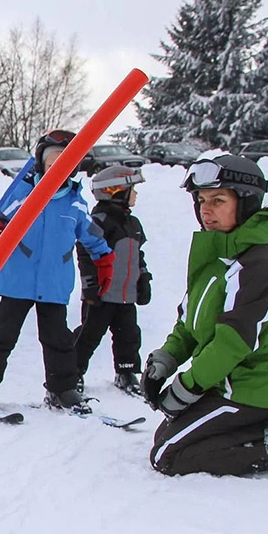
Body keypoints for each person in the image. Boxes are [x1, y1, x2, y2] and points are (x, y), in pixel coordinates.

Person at [143, 154, 268, 487]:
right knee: (168, 433)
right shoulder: (216, 255)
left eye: (218, 200)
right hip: (226, 381)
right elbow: (189, 323)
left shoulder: (258, 263)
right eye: (201, 201)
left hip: (253, 386)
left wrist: (187, 386)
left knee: (167, 456)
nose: (206, 210)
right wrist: (166, 360)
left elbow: (232, 342)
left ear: (247, 202)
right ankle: (265, 424)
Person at [0, 129, 115, 411]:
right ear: (41, 160)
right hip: (18, 279)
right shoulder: (23, 191)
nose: (59, 163)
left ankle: (63, 389)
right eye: (54, 158)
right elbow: (1, 218)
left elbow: (92, 235)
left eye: (67, 159)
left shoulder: (75, 201)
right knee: (3, 334)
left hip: (54, 283)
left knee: (57, 339)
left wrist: (104, 259)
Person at [74, 165, 152, 396]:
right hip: (101, 293)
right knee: (89, 334)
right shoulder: (98, 221)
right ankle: (73, 371)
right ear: (115, 191)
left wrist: (144, 279)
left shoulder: (133, 223)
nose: (136, 194)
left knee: (128, 335)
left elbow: (138, 255)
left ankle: (126, 371)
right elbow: (85, 255)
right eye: (132, 189)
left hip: (125, 294)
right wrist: (90, 286)